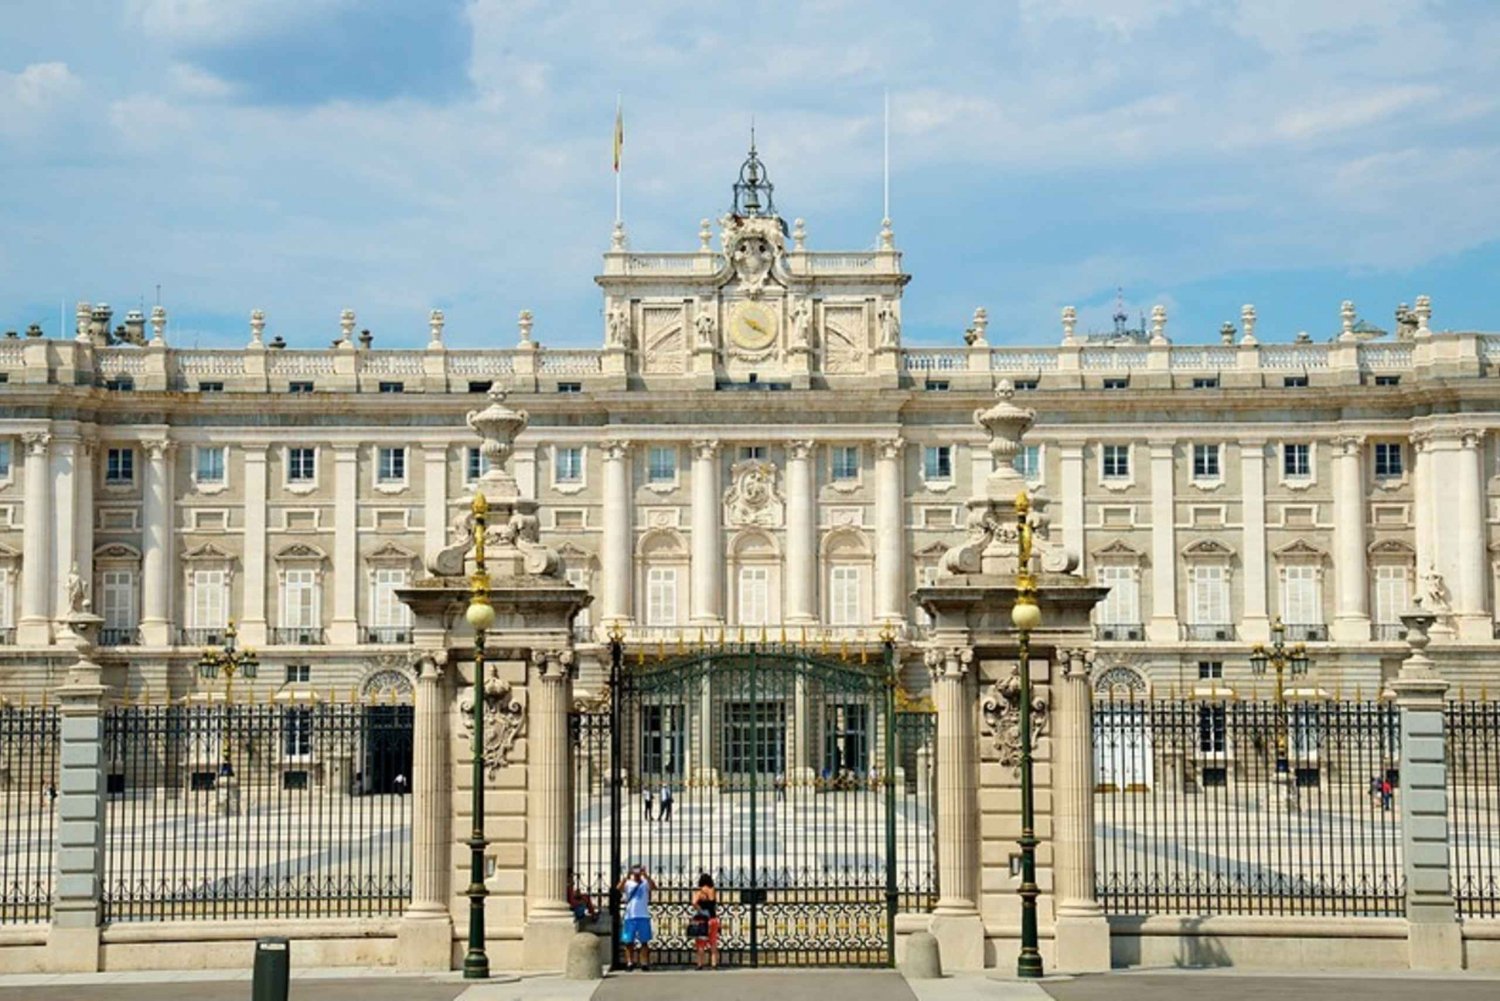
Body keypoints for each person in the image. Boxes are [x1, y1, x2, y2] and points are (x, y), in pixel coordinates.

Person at [617, 864, 657, 971]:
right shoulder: (628, 883)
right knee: (628, 942)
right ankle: (630, 962)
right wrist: (626, 876)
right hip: (630, 916)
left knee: (644, 942)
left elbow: (654, 887)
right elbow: (619, 888)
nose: (637, 873)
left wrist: (646, 876)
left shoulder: (645, 883)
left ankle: (644, 963)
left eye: (639, 870)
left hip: (643, 915)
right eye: (635, 870)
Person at [690, 872, 721, 970]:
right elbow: (714, 903)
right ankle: (714, 964)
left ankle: (700, 964)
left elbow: (693, 903)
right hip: (713, 919)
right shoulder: (713, 891)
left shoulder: (699, 892)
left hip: (703, 921)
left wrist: (700, 909)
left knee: (700, 943)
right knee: (713, 942)